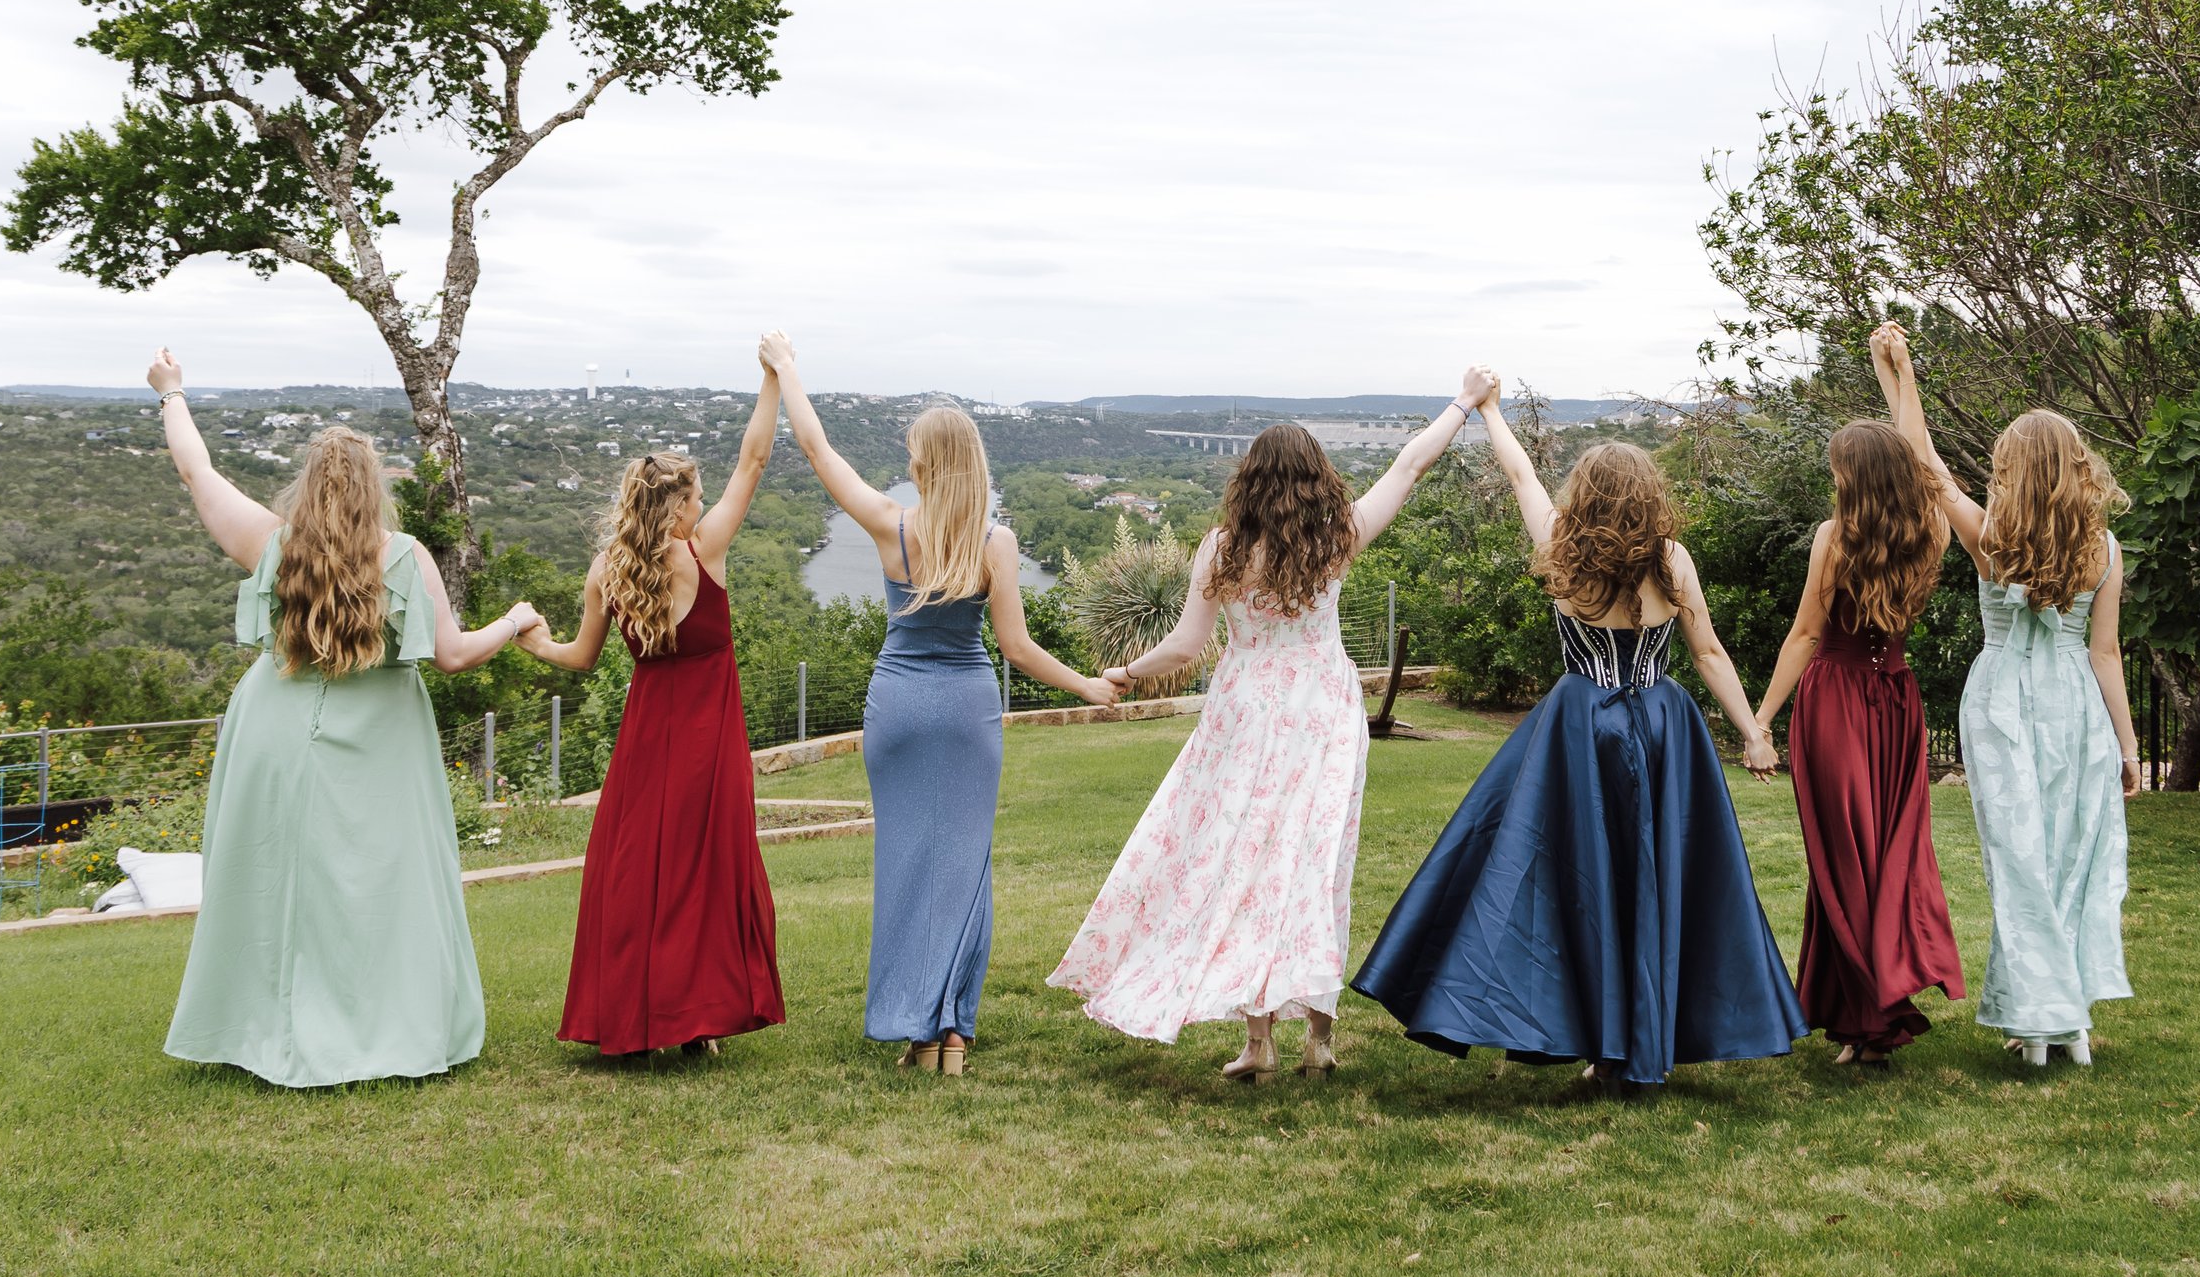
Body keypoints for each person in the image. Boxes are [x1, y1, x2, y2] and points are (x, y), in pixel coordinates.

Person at [1050, 380, 1502, 1081]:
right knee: (1317, 865)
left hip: (1245, 710)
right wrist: (1462, 403)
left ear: (1249, 482)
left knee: (1247, 865)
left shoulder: (1222, 550)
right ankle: (1318, 1036)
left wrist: (1127, 670)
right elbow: (1408, 466)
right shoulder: (1339, 537)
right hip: (1323, 711)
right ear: (1316, 478)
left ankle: (1259, 1041)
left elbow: (1183, 645)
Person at [1353, 424, 1799, 1092]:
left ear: (1584, 497)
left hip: (1581, 729)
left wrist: (1492, 409)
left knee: (1583, 884)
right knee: (1650, 878)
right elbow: (1707, 653)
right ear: (1648, 497)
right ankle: (1642, 1037)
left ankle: (1600, 1042)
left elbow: (1521, 477)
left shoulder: (1562, 551)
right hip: (1662, 727)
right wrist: (1752, 732)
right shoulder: (1672, 560)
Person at [147, 351, 539, 1089]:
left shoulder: (272, 543)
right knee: (382, 885)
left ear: (308, 484)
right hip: (382, 742)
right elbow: (452, 655)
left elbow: (198, 473)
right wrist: (515, 619)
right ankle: (386, 1028)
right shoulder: (406, 558)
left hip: (273, 732)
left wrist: (172, 394)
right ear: (370, 489)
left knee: (278, 881)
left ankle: (270, 1029)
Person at [759, 333, 1116, 1072]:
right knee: (963, 865)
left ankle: (918, 1026)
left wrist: (787, 368)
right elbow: (1016, 648)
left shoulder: (893, 526)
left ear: (922, 465)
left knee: (906, 864)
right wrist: (1087, 683)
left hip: (899, 707)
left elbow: (820, 449)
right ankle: (951, 1030)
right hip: (965, 711)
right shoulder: (997, 541)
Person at [1874, 328, 2135, 1067]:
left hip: (2001, 704)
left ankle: (2044, 1016)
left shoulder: (1992, 536)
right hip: (2075, 706)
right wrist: (2128, 745)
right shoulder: (2105, 550)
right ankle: (2061, 1018)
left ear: (2014, 471)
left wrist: (1903, 378)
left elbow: (1925, 466)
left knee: (2018, 861)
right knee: (2063, 859)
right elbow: (2105, 653)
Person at [521, 367, 786, 1062]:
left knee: (639, 874)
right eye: (695, 497)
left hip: (644, 741)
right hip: (710, 739)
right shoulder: (704, 552)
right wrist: (774, 375)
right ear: (676, 508)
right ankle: (693, 1022)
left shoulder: (609, 569)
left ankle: (636, 1021)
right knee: (703, 876)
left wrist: (533, 642)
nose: (702, 506)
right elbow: (753, 457)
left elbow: (578, 657)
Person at [1750, 365, 1965, 1068]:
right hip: (1897, 703)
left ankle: (1872, 1017)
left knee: (1846, 863)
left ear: (1853, 476)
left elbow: (1806, 635)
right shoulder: (1929, 526)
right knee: (1885, 859)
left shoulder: (1833, 538)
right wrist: (1898, 375)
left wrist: (1759, 720)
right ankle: (1862, 1010)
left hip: (1836, 703)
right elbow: (1920, 452)